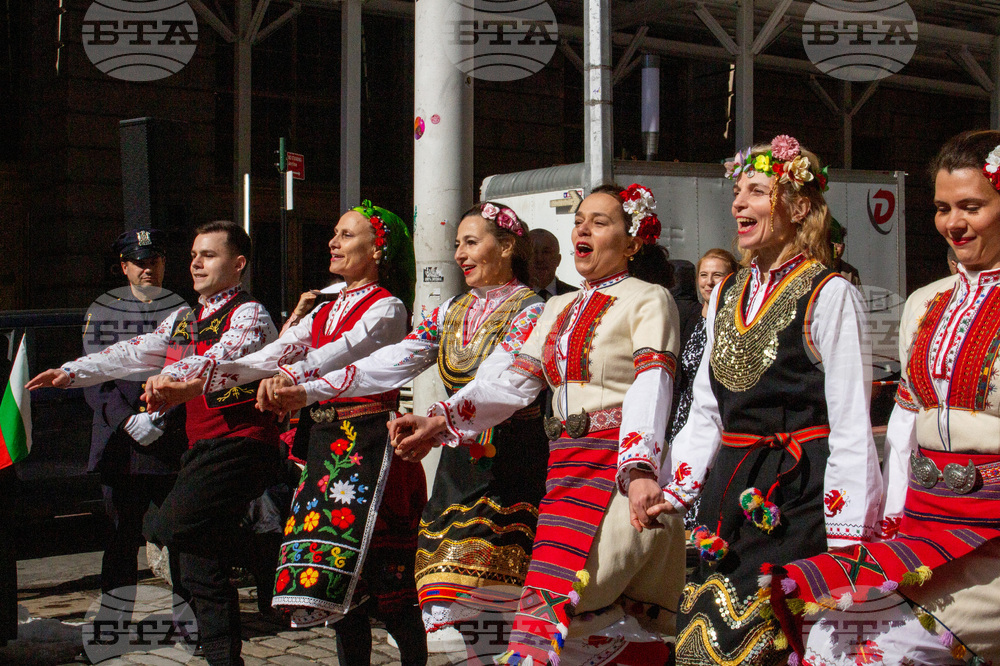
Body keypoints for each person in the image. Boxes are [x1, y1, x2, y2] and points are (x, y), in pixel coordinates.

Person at [391, 183, 686, 666]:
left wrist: (638, 470)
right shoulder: (556, 307)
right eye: (579, 220)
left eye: (600, 221)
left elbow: (651, 386)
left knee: (577, 611)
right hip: (563, 470)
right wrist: (439, 420)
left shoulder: (648, 299)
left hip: (616, 471)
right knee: (558, 619)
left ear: (634, 242)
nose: (582, 229)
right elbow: (510, 384)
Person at [147, 202, 428, 666]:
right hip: (322, 449)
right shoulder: (326, 306)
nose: (334, 242)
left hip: (368, 450)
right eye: (334, 233)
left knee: (389, 590)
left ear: (378, 250)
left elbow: (338, 354)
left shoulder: (387, 308)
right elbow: (268, 355)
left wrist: (291, 378)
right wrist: (192, 383)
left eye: (347, 235)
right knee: (333, 589)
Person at [262, 202, 550, 647]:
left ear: (508, 246)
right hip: (461, 472)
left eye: (471, 243)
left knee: (503, 603)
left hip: (515, 470)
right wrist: (310, 389)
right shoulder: (454, 308)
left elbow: (503, 382)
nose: (459, 254)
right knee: (454, 603)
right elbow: (392, 361)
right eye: (457, 244)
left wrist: (438, 419)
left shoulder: (532, 311)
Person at [763, 130, 1000, 665]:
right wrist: (884, 521)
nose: (953, 223)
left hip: (992, 539)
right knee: (827, 633)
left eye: (972, 206)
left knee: (885, 651)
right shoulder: (925, 302)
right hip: (924, 527)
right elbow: (903, 420)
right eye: (943, 208)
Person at [652, 136, 882, 666]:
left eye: (757, 191)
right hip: (729, 490)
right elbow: (709, 406)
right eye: (737, 191)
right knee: (699, 645)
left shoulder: (830, 293)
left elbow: (851, 420)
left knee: (774, 643)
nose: (737, 203)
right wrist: (677, 487)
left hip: (796, 489)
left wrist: (850, 536)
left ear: (798, 207)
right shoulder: (727, 294)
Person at [27, 220, 280, 666]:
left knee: (168, 530)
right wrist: (71, 372)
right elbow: (135, 351)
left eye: (209, 255)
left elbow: (221, 356)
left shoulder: (248, 313)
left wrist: (170, 380)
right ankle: (222, 652)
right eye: (194, 255)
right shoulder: (184, 316)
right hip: (186, 447)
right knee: (192, 556)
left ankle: (267, 552)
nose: (196, 263)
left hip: (236, 444)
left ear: (238, 264)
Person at [82, 228, 188, 605]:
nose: (148, 270)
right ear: (124, 267)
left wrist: (162, 417)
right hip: (123, 445)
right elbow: (95, 378)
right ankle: (115, 625)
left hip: (166, 441)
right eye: (140, 263)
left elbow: (191, 369)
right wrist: (129, 420)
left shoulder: (183, 312)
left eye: (154, 262)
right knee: (121, 540)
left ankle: (191, 622)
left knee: (180, 537)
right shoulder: (104, 311)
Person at [667, 248, 737, 531]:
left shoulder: (731, 321)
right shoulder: (693, 319)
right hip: (687, 414)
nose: (708, 282)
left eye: (717, 275)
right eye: (703, 275)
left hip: (717, 414)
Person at [529, 228, 574, 300]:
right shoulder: (511, 299)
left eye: (546, 252)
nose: (539, 259)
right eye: (533, 252)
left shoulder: (576, 297)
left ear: (558, 260)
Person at [829, 217, 862, 287]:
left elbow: (858, 297)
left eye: (838, 245)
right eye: (831, 244)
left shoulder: (851, 273)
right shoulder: (813, 270)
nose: (835, 249)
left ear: (843, 247)